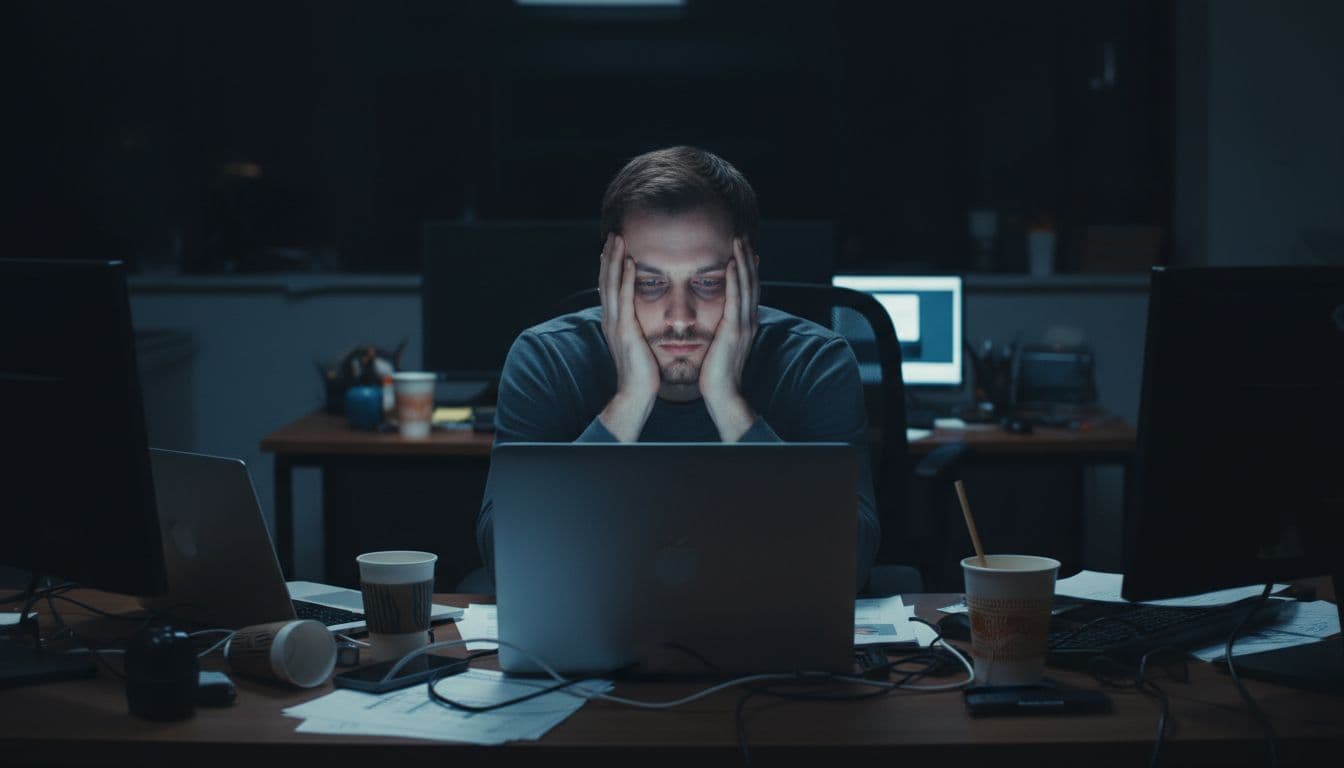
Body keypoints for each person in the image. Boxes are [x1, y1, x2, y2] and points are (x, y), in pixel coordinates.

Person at [475, 145, 879, 592]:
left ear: (749, 279)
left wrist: (727, 399)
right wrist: (629, 399)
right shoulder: (545, 359)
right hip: (592, 643)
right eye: (649, 284)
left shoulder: (816, 362)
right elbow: (507, 561)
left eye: (708, 283)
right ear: (609, 280)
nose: (680, 317)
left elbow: (849, 566)